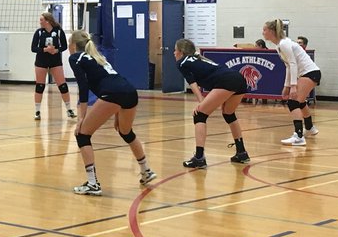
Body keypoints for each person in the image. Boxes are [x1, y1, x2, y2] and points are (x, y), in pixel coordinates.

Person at [67, 30, 156, 195]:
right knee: (126, 132)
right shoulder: (97, 56)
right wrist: (118, 110)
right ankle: (146, 170)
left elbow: (83, 87)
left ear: (73, 45)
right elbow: (113, 80)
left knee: (82, 134)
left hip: (113, 94)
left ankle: (92, 184)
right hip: (129, 91)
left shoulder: (75, 57)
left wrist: (81, 118)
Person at [173, 39, 251, 166]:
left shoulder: (182, 63)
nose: (173, 53)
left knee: (199, 115)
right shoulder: (198, 57)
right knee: (229, 114)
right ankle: (241, 152)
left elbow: (193, 84)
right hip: (239, 78)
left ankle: (199, 157)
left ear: (181, 52)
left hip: (226, 81)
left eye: (175, 50)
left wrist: (201, 102)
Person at [263, 19, 321, 146]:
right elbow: (289, 66)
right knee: (300, 102)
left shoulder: (284, 43)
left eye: (265, 30)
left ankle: (299, 136)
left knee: (293, 102)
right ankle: (310, 128)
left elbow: (293, 64)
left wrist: (293, 86)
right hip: (308, 73)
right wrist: (287, 86)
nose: (263, 32)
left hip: (310, 73)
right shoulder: (279, 45)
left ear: (272, 31)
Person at [32, 12, 75, 121]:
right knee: (40, 86)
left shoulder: (59, 31)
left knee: (63, 85)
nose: (40, 22)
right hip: (41, 61)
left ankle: (69, 109)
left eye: (41, 19)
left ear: (47, 21)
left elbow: (64, 46)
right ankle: (37, 111)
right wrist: (44, 50)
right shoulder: (39, 32)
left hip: (55, 60)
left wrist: (56, 50)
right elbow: (33, 48)